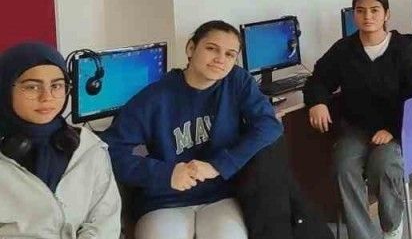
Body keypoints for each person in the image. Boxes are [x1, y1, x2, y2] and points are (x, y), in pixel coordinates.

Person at [106, 21, 285, 239]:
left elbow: (268, 125)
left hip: (221, 195)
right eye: (212, 49)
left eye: (230, 54)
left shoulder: (237, 81)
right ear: (191, 48)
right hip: (165, 199)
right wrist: (165, 174)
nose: (220, 59)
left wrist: (219, 165)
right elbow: (109, 151)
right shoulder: (155, 97)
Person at [304, 0, 412, 238]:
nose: (367, 16)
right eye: (360, 11)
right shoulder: (344, 49)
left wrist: (392, 129)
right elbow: (317, 79)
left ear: (386, 14)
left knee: (383, 166)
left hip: (393, 130)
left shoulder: (403, 49)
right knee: (344, 167)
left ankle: (392, 225)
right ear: (354, 15)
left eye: (374, 10)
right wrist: (317, 102)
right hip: (356, 129)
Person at [0, 43, 120, 239]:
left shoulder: (88, 147)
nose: (47, 97)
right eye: (32, 87)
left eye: (56, 85)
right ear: (5, 88)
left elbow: (105, 221)